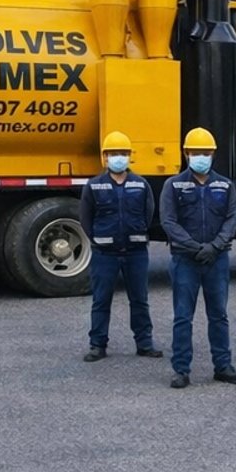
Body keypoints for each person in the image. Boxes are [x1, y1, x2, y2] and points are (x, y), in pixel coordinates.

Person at [159, 126, 236, 389]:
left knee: (219, 315)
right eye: (196, 152)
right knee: (183, 316)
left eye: (206, 152)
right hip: (186, 260)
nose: (201, 157)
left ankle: (223, 366)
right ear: (186, 154)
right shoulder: (173, 185)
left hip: (216, 260)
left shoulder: (225, 185)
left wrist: (215, 246)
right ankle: (181, 370)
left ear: (214, 154)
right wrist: (195, 246)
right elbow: (168, 221)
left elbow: (232, 219)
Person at [80, 129, 161, 362]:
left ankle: (144, 343)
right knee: (101, 299)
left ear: (130, 156)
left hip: (136, 252)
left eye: (123, 153)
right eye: (113, 153)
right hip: (105, 253)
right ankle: (97, 345)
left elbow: (148, 214)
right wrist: (98, 239)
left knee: (139, 299)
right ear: (105, 157)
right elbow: (86, 218)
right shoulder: (94, 186)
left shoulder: (141, 184)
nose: (118, 157)